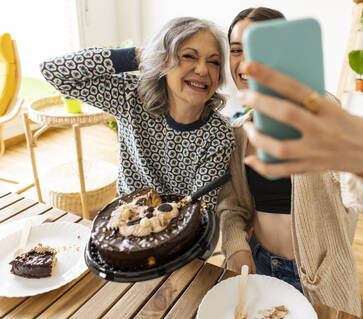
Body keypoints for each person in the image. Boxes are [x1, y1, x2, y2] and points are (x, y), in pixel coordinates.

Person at [217, 7, 363, 316]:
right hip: (258, 265)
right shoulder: (238, 128)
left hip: (320, 275)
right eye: (237, 50)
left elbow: (362, 197)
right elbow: (233, 206)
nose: (245, 64)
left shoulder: (318, 111)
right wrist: (236, 247)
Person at [40, 17, 235, 211]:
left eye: (214, 62)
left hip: (182, 229)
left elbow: (200, 210)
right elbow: (53, 71)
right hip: (126, 217)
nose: (202, 70)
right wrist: (142, 55)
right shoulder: (130, 96)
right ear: (163, 61)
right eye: (189, 56)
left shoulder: (219, 136)